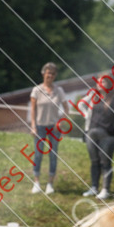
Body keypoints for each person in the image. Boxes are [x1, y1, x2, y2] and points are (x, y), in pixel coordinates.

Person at [82, 90, 114, 201]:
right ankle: (94, 187)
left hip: (109, 134)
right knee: (94, 161)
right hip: (92, 132)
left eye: (104, 82)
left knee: (105, 162)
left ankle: (105, 190)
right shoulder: (94, 95)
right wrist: (87, 115)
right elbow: (81, 104)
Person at [29, 62, 67, 195]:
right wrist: (33, 126)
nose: (50, 75)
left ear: (55, 75)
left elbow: (66, 108)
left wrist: (62, 121)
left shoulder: (59, 91)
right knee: (38, 154)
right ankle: (37, 182)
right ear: (43, 74)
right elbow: (33, 109)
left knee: (53, 154)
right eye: (48, 72)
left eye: (52, 73)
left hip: (54, 128)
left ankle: (50, 183)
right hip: (40, 126)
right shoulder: (36, 90)